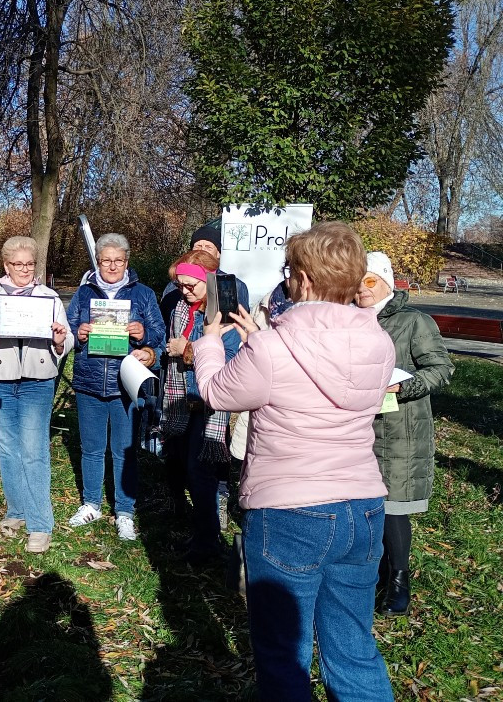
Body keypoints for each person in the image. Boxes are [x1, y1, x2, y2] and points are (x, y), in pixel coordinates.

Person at [193, 221, 396, 700]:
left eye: (289, 272)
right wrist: (256, 344)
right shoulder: (379, 343)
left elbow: (216, 392)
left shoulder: (272, 346)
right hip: (363, 505)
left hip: (290, 510)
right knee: (353, 649)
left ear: (303, 280)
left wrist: (208, 340)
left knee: (284, 658)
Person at [356, 251, 453, 616]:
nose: (362, 289)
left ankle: (398, 580)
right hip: (355, 426)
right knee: (362, 506)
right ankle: (369, 575)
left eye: (369, 281)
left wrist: (404, 386)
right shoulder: (347, 319)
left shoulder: (414, 322)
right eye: (357, 281)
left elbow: (441, 368)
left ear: (385, 281)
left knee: (393, 507)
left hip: (400, 430)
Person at [0, 236, 73, 553]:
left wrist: (59, 340)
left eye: (30, 264)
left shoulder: (49, 297)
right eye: (18, 264)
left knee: (33, 448)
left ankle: (40, 524)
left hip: (37, 380)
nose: (25, 270)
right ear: (6, 266)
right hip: (0, 380)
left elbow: (66, 342)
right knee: (7, 447)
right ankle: (17, 511)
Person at [66, 233, 164, 542]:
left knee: (125, 450)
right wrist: (78, 332)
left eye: (118, 260)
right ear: (98, 261)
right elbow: (66, 331)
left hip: (126, 384)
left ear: (127, 262)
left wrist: (143, 331)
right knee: (92, 448)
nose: (112, 266)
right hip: (89, 381)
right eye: (106, 260)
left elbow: (159, 334)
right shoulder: (84, 294)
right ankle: (91, 504)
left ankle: (124, 512)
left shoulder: (144, 294)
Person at [160, 249, 241, 563]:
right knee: (187, 470)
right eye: (180, 284)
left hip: (208, 405)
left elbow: (233, 360)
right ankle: (200, 536)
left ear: (209, 279)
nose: (185, 290)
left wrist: (189, 349)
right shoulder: (181, 307)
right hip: (181, 404)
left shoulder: (226, 313)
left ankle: (208, 544)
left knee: (200, 473)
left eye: (191, 284)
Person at [159, 223, 249, 337]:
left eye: (208, 247)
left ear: (218, 253)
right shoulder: (173, 286)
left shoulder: (230, 286)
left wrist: (187, 349)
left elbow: (233, 334)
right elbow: (163, 324)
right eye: (198, 246)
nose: (202, 250)